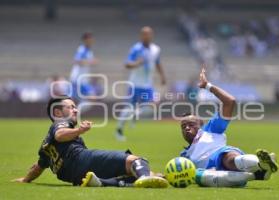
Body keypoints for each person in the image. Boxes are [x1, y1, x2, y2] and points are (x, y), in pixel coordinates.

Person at [13, 96, 168, 188]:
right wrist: (79, 130)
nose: (76, 110)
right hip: (82, 159)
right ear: (58, 112)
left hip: (75, 176)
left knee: (129, 175)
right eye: (71, 107)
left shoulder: (46, 144)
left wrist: (25, 179)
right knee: (135, 160)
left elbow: (39, 166)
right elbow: (60, 135)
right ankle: (144, 176)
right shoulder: (59, 123)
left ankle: (102, 182)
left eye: (75, 107)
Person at [179, 68, 279, 187]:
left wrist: (208, 86)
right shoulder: (184, 156)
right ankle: (259, 173)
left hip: (223, 158)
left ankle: (261, 163)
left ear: (201, 124)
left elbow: (230, 102)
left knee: (228, 158)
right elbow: (179, 174)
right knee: (199, 175)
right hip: (213, 175)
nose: (187, 128)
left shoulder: (210, 129)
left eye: (191, 124)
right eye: (183, 126)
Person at [115, 26, 166, 141]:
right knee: (129, 107)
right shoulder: (136, 49)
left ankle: (135, 114)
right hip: (135, 84)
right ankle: (119, 130)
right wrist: (137, 63)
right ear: (141, 36)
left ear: (151, 35)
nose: (146, 36)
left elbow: (157, 63)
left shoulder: (155, 49)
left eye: (148, 34)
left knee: (153, 105)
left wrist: (162, 76)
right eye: (144, 34)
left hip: (147, 84)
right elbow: (127, 64)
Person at [70, 32, 99, 100]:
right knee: (92, 97)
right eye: (89, 39)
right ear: (85, 40)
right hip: (78, 79)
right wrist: (91, 61)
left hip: (83, 79)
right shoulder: (82, 49)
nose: (91, 40)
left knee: (86, 99)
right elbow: (76, 60)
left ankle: (79, 109)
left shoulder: (89, 51)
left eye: (91, 39)